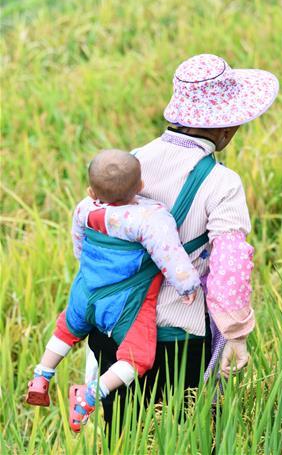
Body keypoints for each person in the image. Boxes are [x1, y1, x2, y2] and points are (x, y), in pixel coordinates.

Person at [86, 53, 279, 429]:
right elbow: (229, 266)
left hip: (113, 329)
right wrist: (236, 336)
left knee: (123, 433)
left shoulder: (132, 161)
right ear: (225, 130)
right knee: (188, 430)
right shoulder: (222, 183)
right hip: (176, 337)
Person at [25, 150, 201, 432]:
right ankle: (91, 394)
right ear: (141, 187)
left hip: (86, 290)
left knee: (66, 328)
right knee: (137, 357)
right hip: (125, 304)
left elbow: (78, 245)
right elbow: (169, 254)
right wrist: (187, 284)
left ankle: (42, 374)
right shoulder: (150, 217)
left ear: (91, 190)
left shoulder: (85, 208)